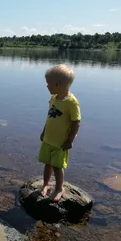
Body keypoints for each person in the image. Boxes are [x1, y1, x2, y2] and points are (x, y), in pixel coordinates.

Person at [39, 64, 81, 202]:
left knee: (57, 166)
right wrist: (44, 131)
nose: (46, 87)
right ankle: (45, 185)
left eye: (48, 84)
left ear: (57, 84)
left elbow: (76, 122)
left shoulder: (71, 102)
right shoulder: (54, 98)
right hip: (48, 139)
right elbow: (50, 117)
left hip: (60, 142)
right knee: (47, 163)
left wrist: (70, 140)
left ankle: (59, 188)